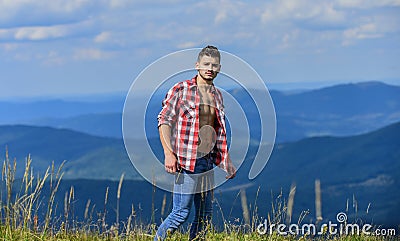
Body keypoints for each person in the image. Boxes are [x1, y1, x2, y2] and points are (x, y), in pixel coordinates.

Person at [155, 45, 236, 240]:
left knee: (204, 216)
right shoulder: (181, 89)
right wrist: (168, 153)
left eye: (214, 65)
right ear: (197, 65)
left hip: (207, 162)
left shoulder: (217, 95)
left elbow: (217, 131)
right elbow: (164, 121)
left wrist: (227, 161)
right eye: (206, 64)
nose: (210, 68)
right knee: (180, 213)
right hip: (187, 161)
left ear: (219, 68)